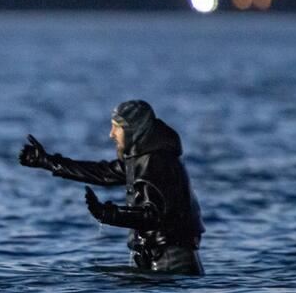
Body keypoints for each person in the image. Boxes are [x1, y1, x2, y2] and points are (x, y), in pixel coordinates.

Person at [19, 100, 204, 275]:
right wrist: (47, 162)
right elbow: (102, 173)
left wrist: (108, 214)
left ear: (134, 130)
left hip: (171, 262)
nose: (111, 134)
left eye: (117, 127)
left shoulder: (157, 162)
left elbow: (154, 217)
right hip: (159, 258)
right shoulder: (143, 157)